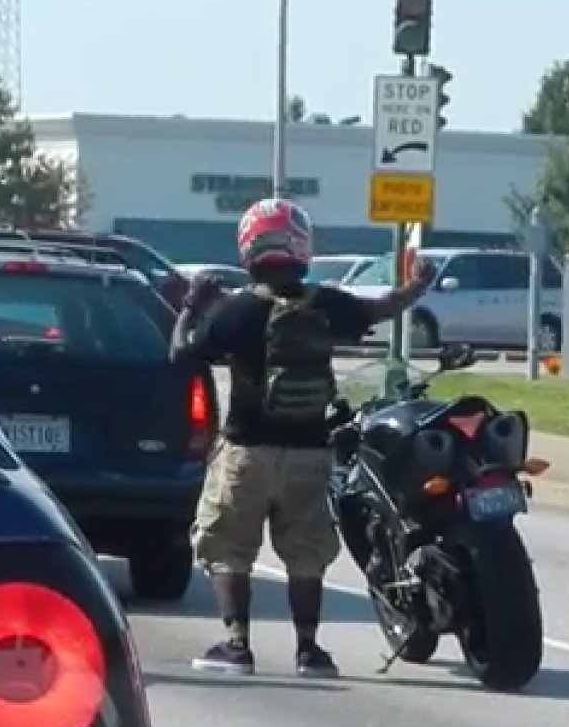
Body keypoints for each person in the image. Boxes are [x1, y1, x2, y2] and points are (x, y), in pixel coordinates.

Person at [169, 197, 435, 677]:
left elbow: (183, 356)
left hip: (247, 451)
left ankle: (236, 646)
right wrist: (417, 287)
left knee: (229, 547)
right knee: (306, 554)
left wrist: (192, 304)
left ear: (249, 246)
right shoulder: (328, 303)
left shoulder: (237, 310)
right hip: (312, 453)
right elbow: (380, 308)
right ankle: (309, 651)